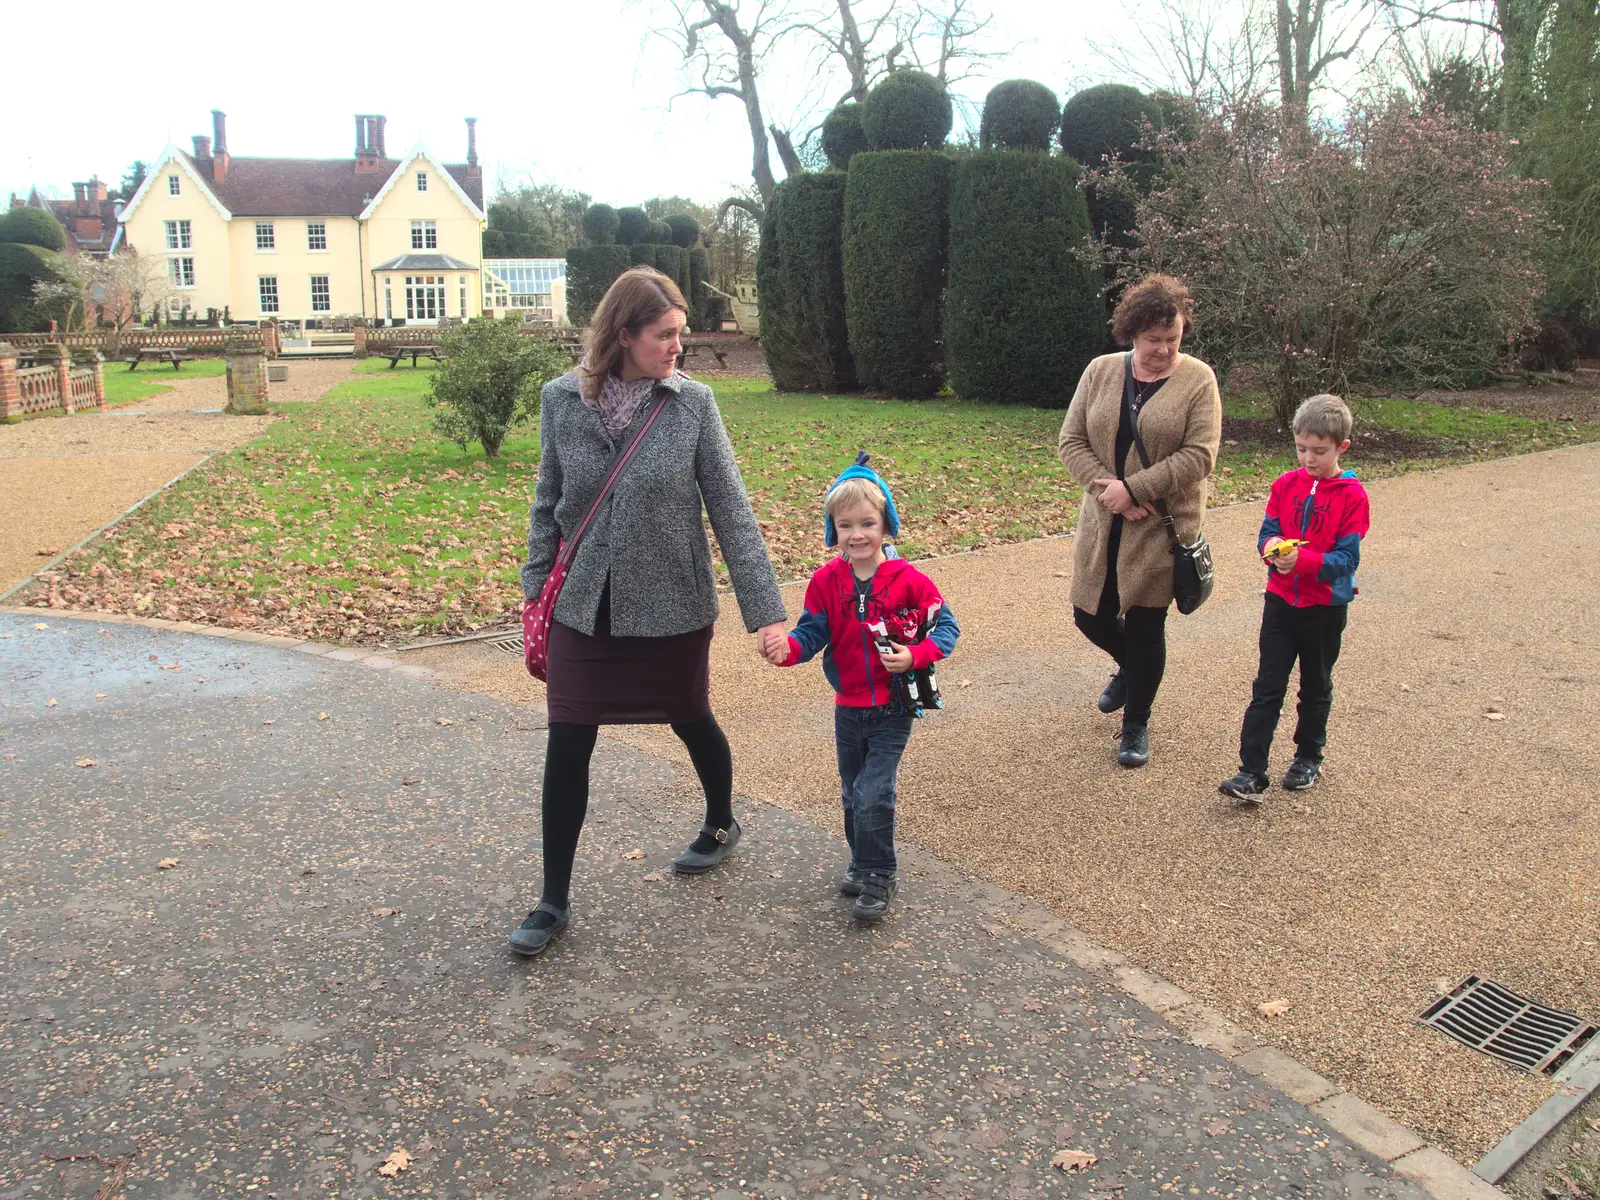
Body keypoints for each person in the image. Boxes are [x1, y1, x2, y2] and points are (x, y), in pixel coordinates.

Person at [510, 267, 788, 957]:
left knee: (689, 717)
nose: (676, 347)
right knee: (568, 740)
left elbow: (731, 508)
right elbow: (548, 500)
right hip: (582, 603)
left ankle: (722, 821)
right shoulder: (560, 400)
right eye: (664, 335)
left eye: (680, 334)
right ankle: (552, 901)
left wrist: (767, 613)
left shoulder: (692, 405)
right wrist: (532, 585)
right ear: (624, 335)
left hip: (672, 599)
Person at [761, 454, 959, 923]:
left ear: (885, 524)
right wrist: (786, 648)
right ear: (833, 531)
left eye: (868, 523)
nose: (857, 534)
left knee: (874, 792)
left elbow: (946, 627)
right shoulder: (826, 582)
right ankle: (861, 859)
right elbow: (812, 632)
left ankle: (879, 873)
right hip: (848, 706)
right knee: (852, 792)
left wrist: (915, 655)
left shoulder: (910, 581)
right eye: (845, 525)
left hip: (894, 706)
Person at [1058, 275, 1222, 768]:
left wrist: (1135, 489)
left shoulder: (1199, 380)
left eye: (1174, 339)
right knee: (1089, 614)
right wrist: (1111, 492)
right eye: (1154, 341)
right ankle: (1131, 670)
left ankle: (1136, 725)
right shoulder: (1101, 371)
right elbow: (1070, 442)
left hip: (1162, 524)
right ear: (1131, 334)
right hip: (1105, 521)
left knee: (1147, 623)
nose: (1165, 350)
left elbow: (1200, 456)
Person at [1219, 395, 1370, 803]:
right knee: (1267, 686)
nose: (1309, 459)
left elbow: (1347, 558)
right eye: (1302, 449)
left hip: (1325, 606)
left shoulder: (1352, 495)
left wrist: (1303, 562)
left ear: (1341, 448)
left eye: (1319, 451)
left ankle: (1308, 756)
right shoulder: (1285, 485)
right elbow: (1267, 531)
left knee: (1315, 685)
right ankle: (1251, 771)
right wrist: (1273, 550)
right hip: (1281, 602)